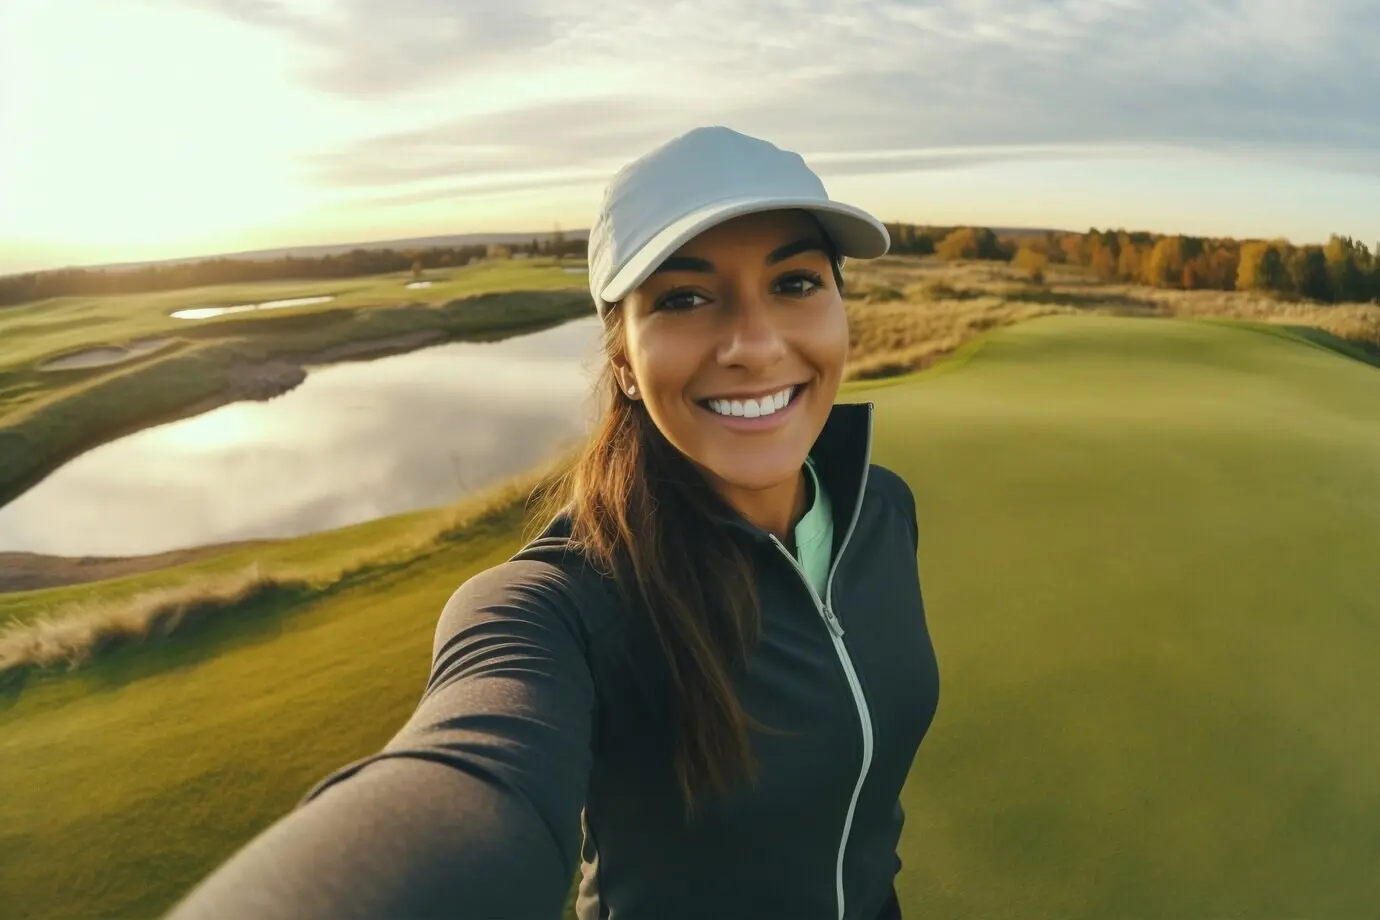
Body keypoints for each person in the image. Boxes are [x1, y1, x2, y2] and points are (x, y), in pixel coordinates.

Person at [165, 125, 942, 920]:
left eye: (796, 283)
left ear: (842, 308)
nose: (753, 343)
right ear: (623, 364)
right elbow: (472, 777)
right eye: (683, 298)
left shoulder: (882, 508)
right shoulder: (559, 604)